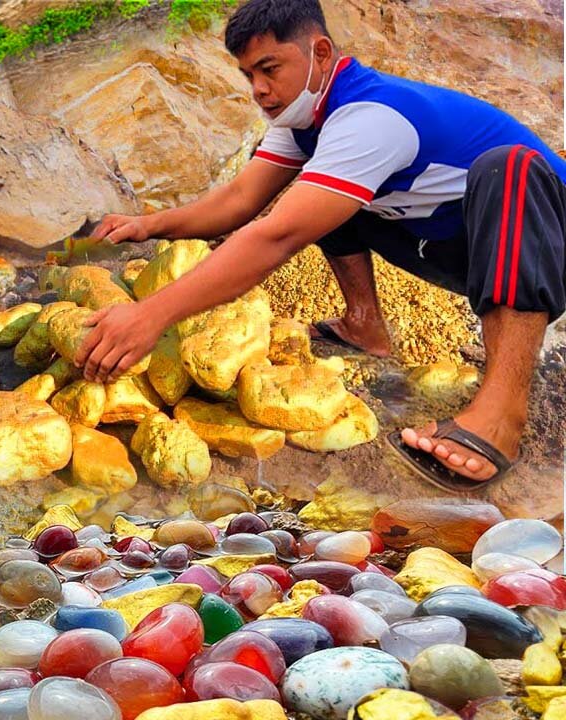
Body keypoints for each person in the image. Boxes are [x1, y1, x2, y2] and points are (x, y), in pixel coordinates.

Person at [75, 0, 566, 489]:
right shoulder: (308, 118)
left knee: (510, 167)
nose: (259, 90)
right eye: (249, 76)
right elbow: (241, 201)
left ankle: (502, 413)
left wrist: (150, 315)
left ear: (321, 52)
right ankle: (364, 326)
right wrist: (150, 225)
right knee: (322, 195)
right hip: (459, 242)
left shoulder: (370, 116)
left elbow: (277, 235)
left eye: (269, 69)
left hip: (547, 245)